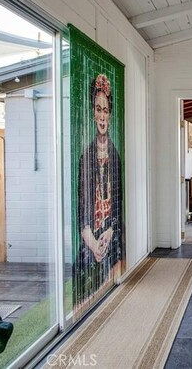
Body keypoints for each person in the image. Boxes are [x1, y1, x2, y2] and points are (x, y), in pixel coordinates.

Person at [75, 73, 123, 308]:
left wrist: (111, 230)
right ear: (93, 113)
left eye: (106, 110)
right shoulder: (86, 157)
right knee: (83, 272)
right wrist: (93, 243)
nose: (102, 116)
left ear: (110, 115)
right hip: (91, 237)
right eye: (98, 109)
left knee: (115, 261)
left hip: (110, 235)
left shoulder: (115, 156)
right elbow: (82, 210)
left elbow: (119, 206)